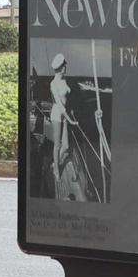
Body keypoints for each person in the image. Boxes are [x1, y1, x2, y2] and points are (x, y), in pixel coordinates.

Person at [49, 53, 85, 202]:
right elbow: (59, 104)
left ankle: (55, 161)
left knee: (67, 146)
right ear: (60, 68)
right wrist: (70, 120)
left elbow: (68, 99)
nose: (66, 67)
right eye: (65, 65)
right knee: (57, 145)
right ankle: (56, 170)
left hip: (65, 114)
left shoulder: (64, 80)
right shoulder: (53, 84)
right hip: (57, 114)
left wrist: (71, 112)